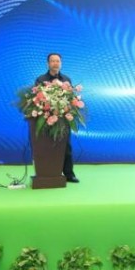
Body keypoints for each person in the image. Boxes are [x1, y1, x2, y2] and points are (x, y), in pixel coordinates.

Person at [34, 53, 79, 183]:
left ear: (61, 63)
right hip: (46, 118)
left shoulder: (66, 79)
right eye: (52, 61)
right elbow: (37, 99)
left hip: (63, 119)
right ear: (48, 63)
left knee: (66, 147)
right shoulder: (41, 79)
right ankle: (47, 173)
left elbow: (71, 98)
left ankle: (69, 174)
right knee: (46, 145)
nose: (55, 63)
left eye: (58, 61)